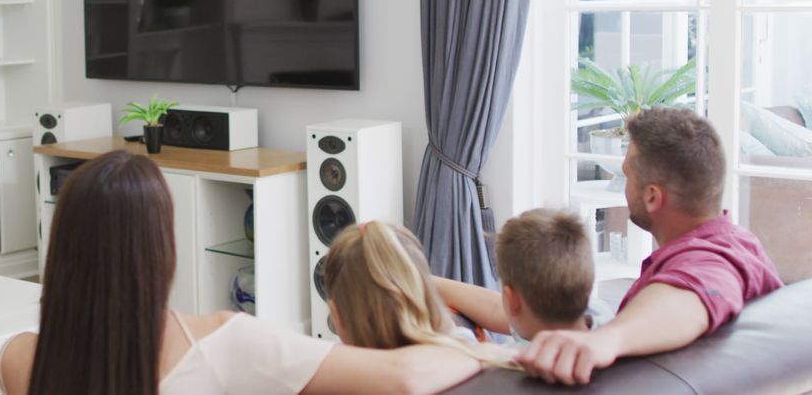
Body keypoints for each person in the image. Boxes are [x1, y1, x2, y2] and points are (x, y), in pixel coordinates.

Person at [0, 150, 484, 395]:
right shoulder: (223, 342)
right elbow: (404, 377)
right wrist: (479, 348)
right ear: (160, 248)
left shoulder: (18, 358)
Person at [517, 107, 783, 385]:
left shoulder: (710, 261)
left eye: (627, 175)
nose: (624, 185)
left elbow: (699, 289)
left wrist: (606, 340)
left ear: (653, 197)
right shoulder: (740, 242)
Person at [322, 220, 517, 368]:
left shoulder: (336, 375)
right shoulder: (467, 344)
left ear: (336, 314)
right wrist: (409, 278)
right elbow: (504, 311)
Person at [432, 209, 611, 345]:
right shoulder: (602, 317)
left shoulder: (510, 361)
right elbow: (494, 308)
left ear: (512, 300)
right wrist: (426, 281)